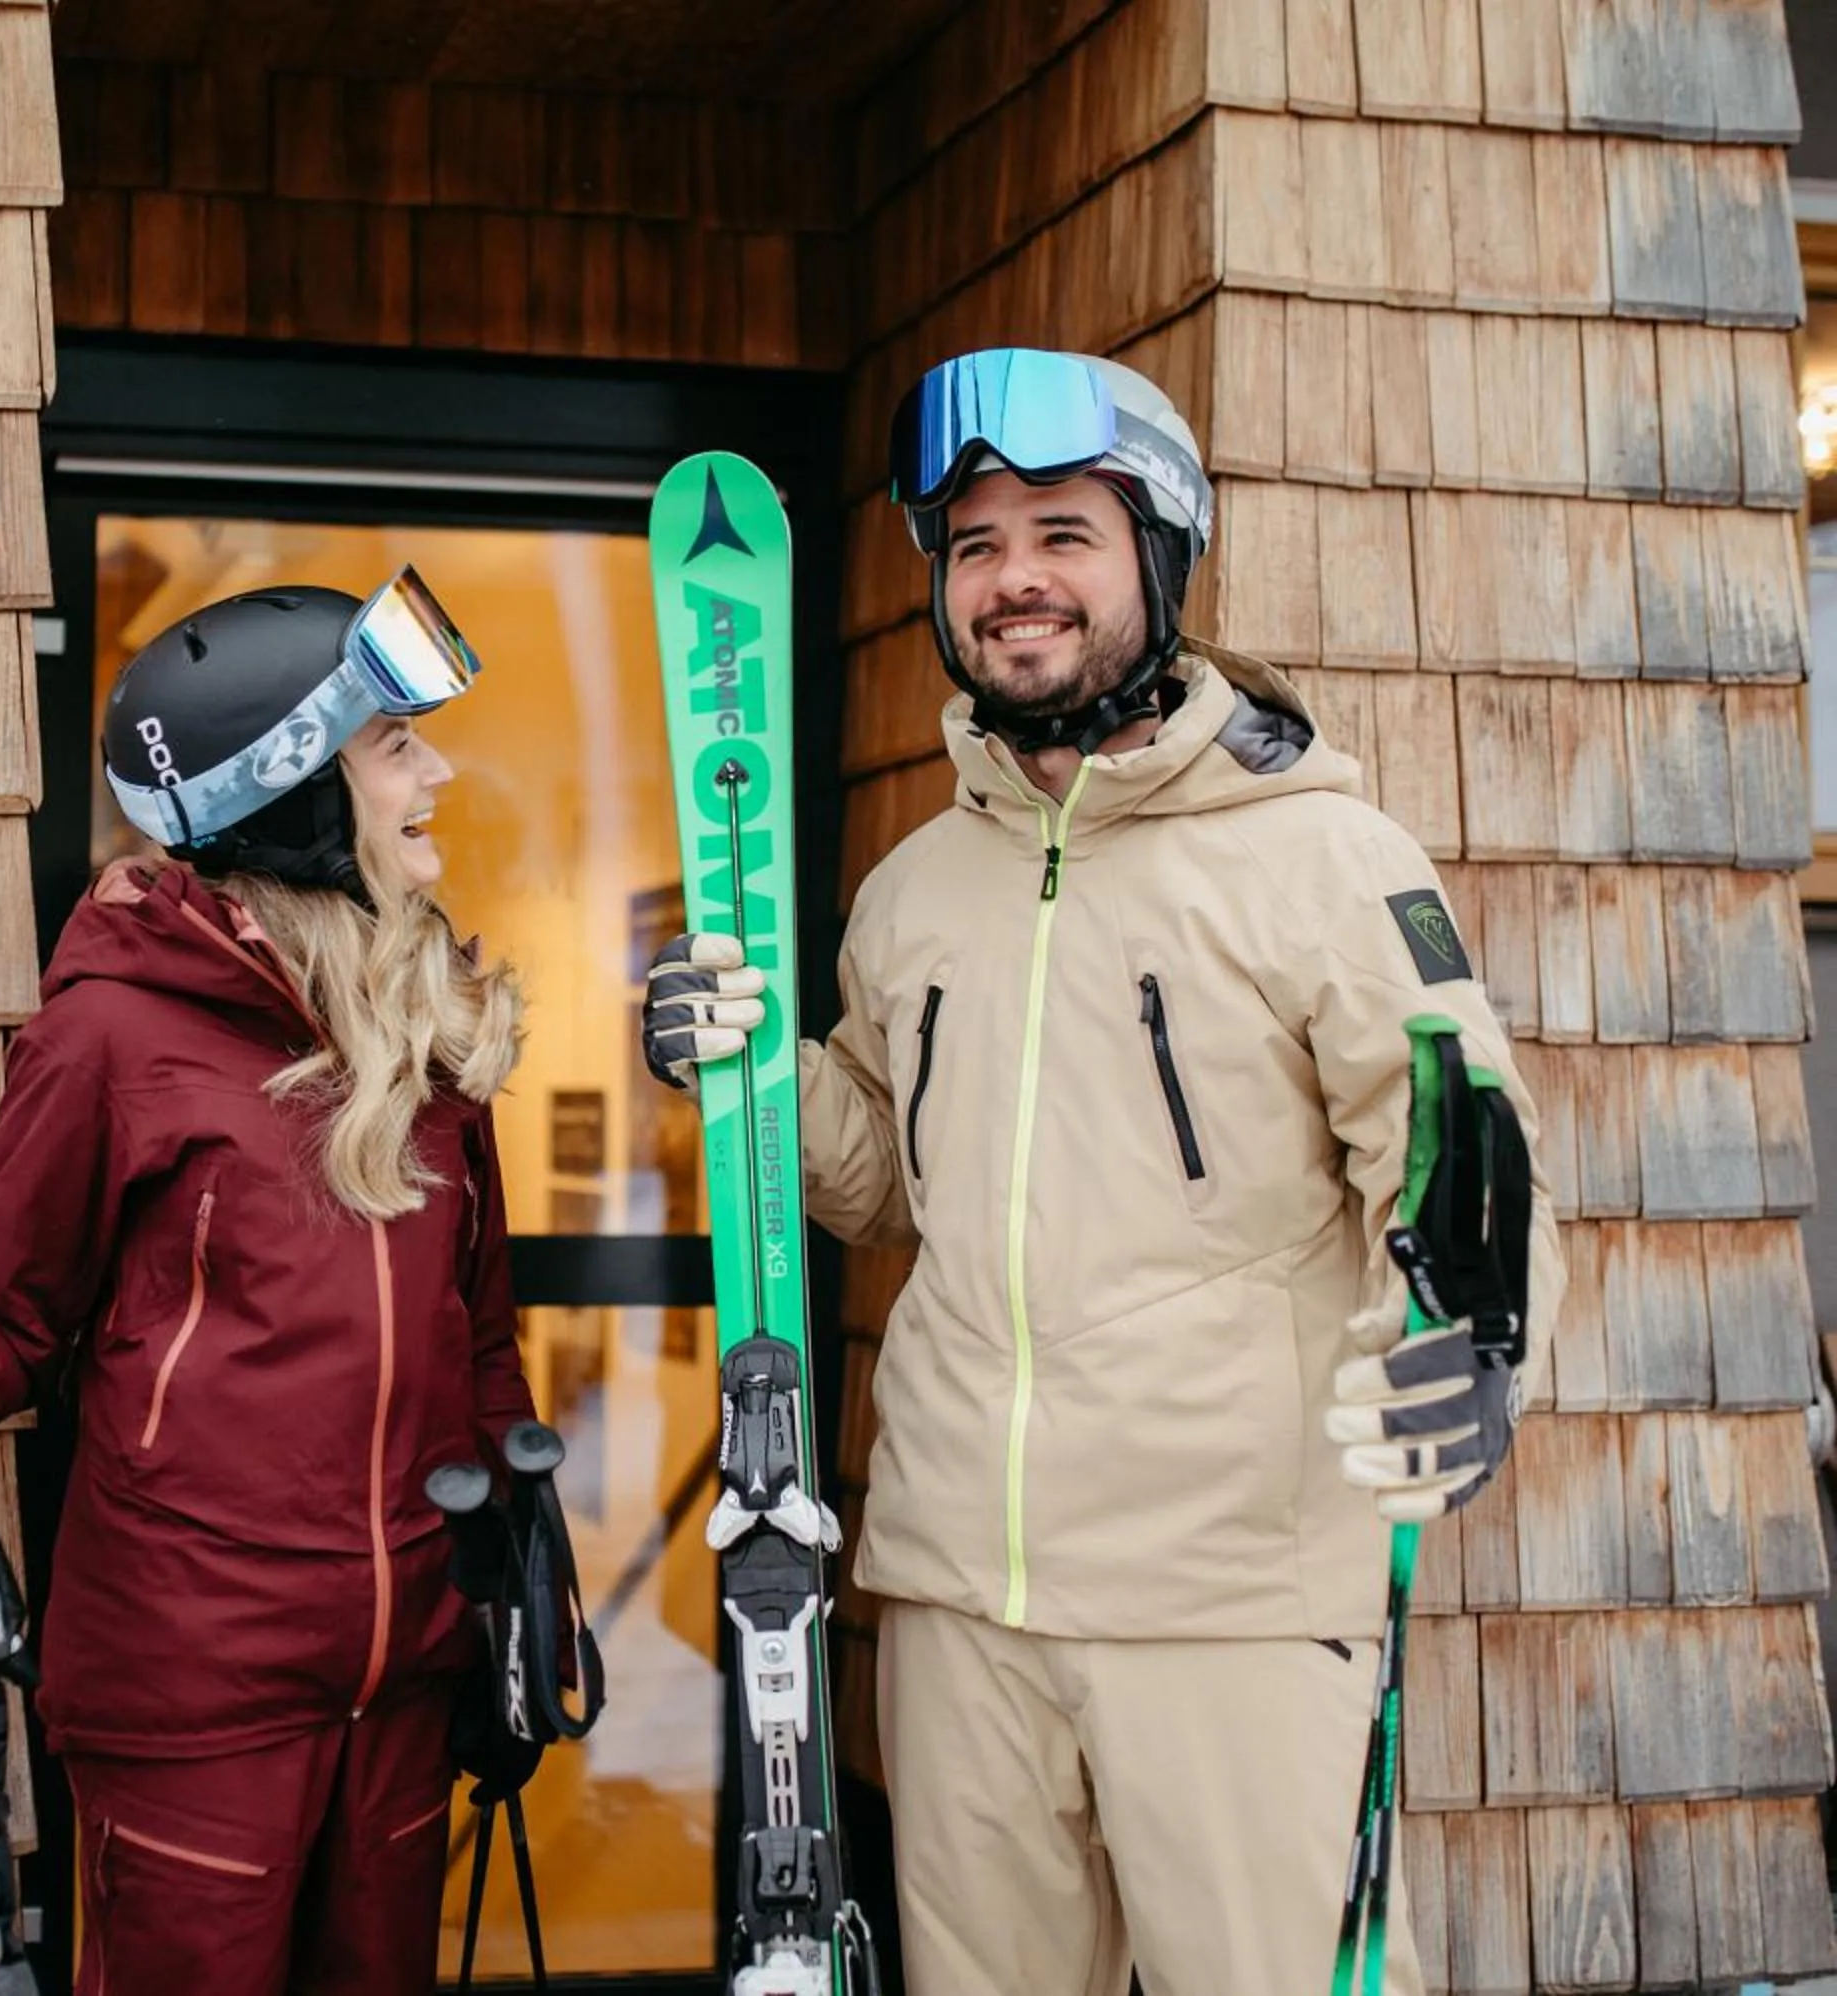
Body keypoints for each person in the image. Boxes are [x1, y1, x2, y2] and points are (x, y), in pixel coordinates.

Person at [639, 350, 1563, 1996]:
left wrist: (1473, 1332)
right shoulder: (920, 889)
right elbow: (881, 1186)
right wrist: (753, 1075)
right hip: (958, 1598)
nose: (1014, 581)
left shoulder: (1322, 861)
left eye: (1062, 532)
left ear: (1159, 557)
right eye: (975, 544)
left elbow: (1453, 1138)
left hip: (1231, 1595)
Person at [0, 570, 536, 1994]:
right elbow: (7, 1308)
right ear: (300, 795)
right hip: (195, 1702)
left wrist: (510, 1596)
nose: (435, 773)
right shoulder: (115, 1038)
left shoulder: (424, 1035)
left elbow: (484, 1342)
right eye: (397, 747)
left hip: (400, 1691)